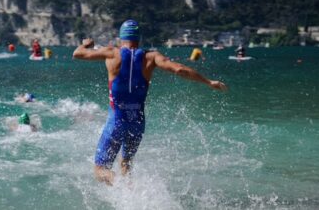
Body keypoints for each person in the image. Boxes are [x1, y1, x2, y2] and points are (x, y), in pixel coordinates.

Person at [72, 19, 227, 185]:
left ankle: (121, 186)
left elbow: (77, 54)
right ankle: (132, 196)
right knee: (126, 164)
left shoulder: (111, 53)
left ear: (121, 37)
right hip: (137, 123)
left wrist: (87, 44)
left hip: (117, 121)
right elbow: (180, 69)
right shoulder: (152, 57)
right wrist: (209, 82)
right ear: (139, 37)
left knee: (100, 171)